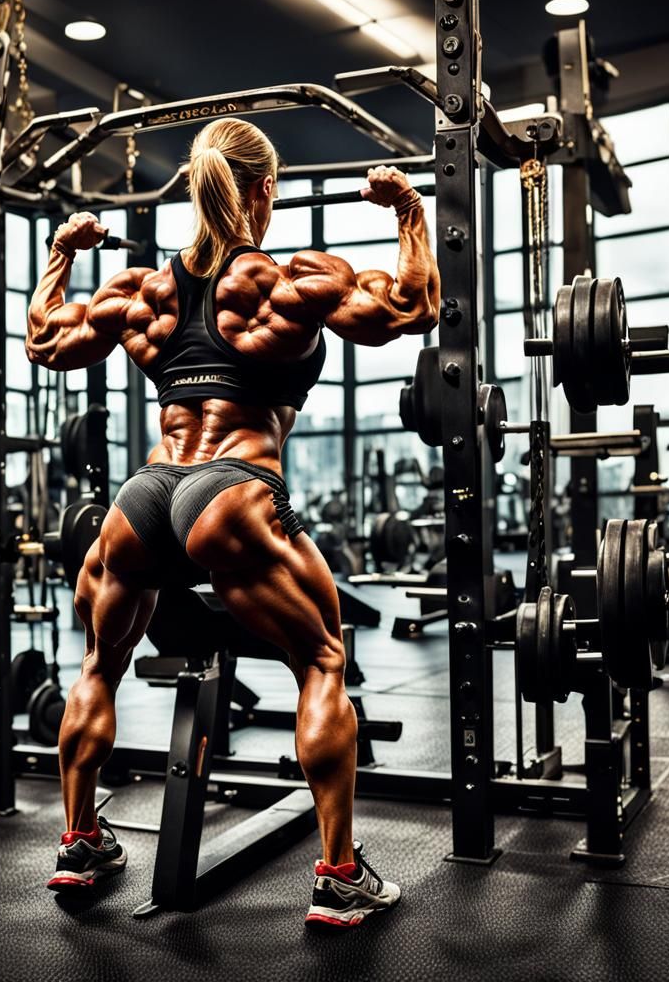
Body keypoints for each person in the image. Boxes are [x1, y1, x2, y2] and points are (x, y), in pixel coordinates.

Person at [26, 116, 439, 927]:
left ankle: (78, 843)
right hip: (233, 487)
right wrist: (408, 210)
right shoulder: (288, 282)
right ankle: (339, 874)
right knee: (322, 659)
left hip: (147, 494)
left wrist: (63, 253)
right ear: (263, 190)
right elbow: (415, 306)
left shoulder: (140, 291)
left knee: (98, 666)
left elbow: (43, 340)